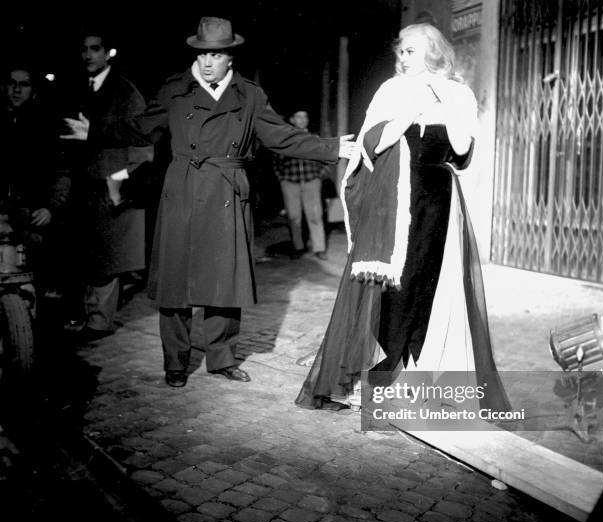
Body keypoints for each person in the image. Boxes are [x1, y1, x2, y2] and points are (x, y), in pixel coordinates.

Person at [70, 16, 355, 388]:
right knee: (177, 283)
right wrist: (95, 131)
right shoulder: (175, 89)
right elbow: (139, 126)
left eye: (216, 55)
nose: (207, 62)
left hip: (226, 190)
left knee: (224, 280)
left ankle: (221, 359)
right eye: (202, 53)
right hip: (183, 190)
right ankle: (175, 362)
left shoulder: (250, 95)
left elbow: (281, 136)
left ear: (230, 57)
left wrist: (331, 148)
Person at [295, 23, 511, 413]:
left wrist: (452, 114)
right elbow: (368, 144)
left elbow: (463, 155)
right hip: (393, 205)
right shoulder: (391, 91)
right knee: (392, 289)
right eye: (400, 51)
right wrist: (411, 111)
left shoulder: (458, 93)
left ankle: (420, 378)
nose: (402, 57)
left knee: (428, 286)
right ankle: (381, 377)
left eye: (411, 50)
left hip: (436, 204)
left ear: (433, 52)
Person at [60, 28, 151, 341]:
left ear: (108, 52)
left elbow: (143, 138)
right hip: (80, 184)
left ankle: (99, 321)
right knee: (85, 254)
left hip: (110, 185)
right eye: (84, 49)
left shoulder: (125, 92)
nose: (88, 55)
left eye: (95, 49)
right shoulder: (76, 87)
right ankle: (86, 315)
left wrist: (120, 180)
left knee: (107, 257)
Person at [1, 65, 67, 288]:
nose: (17, 90)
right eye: (12, 83)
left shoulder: (46, 128)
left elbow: (62, 172)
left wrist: (51, 208)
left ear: (33, 91)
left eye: (24, 84)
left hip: (31, 218)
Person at [273, 110, 328, 260]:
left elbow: (324, 158)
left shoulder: (314, 138)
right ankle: (298, 247)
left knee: (315, 215)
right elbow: (276, 160)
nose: (302, 120)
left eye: (305, 116)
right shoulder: (284, 139)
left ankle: (319, 248)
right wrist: (282, 177)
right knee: (294, 217)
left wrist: (319, 174)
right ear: (292, 119)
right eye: (298, 116)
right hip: (290, 182)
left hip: (311, 180)